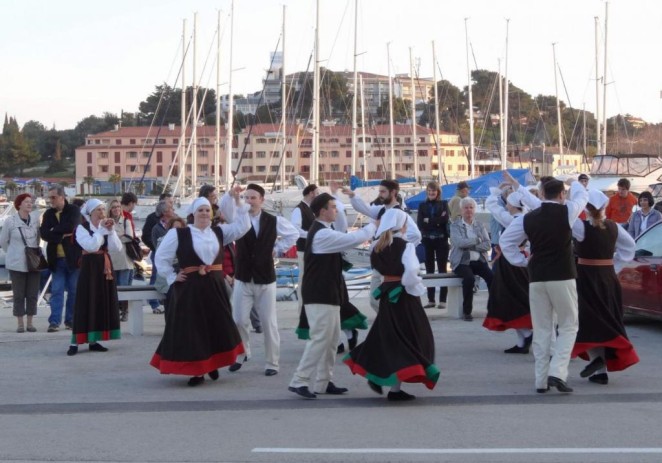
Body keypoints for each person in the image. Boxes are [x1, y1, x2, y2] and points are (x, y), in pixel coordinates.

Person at [150, 191, 251, 386]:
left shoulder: (219, 232)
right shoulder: (179, 233)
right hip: (190, 289)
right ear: (193, 213)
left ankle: (212, 364)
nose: (204, 213)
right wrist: (172, 276)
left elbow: (243, 226)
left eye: (207, 210)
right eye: (200, 210)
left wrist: (239, 203)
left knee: (215, 326)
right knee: (194, 329)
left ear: (211, 213)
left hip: (214, 287)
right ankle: (198, 371)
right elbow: (161, 257)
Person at [500, 177, 588, 394]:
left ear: (542, 194)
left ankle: (540, 380)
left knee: (542, 328)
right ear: (561, 195)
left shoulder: (528, 218)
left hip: (537, 276)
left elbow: (506, 242)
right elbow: (583, 196)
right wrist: (575, 183)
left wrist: (522, 261)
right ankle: (557, 372)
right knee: (568, 325)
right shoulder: (567, 211)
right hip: (563, 275)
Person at [344, 208, 440, 401]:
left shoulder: (376, 247)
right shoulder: (406, 246)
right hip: (404, 296)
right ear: (402, 225)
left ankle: (386, 381)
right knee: (413, 337)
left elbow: (379, 269)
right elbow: (412, 271)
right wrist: (414, 287)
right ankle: (393, 387)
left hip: (387, 294)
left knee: (387, 336)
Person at [288, 193, 377, 399]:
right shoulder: (321, 234)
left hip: (329, 293)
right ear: (322, 211)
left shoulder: (326, 230)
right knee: (320, 338)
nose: (336, 210)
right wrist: (373, 224)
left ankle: (323, 382)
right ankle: (299, 380)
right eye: (333, 207)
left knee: (331, 340)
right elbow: (352, 239)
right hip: (319, 294)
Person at [221, 183, 298, 377]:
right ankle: (243, 353)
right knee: (238, 319)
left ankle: (272, 362)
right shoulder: (239, 218)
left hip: (265, 278)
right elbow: (225, 208)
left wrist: (278, 248)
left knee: (268, 321)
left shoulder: (274, 220)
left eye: (253, 198)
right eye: (246, 198)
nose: (249, 201)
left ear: (262, 200)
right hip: (243, 277)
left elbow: (293, 234)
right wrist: (231, 195)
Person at [571, 190, 639, 386]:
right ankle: (600, 370)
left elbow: (566, 217)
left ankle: (598, 364)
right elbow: (629, 248)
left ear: (585, 208)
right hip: (608, 279)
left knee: (587, 322)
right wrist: (613, 265)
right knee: (606, 319)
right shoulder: (614, 227)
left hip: (585, 278)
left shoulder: (580, 227)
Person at [343, 180, 421, 312]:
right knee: (375, 299)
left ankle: (390, 322)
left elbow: (416, 235)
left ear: (393, 192)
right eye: (379, 191)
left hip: (392, 266)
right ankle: (388, 321)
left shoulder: (401, 214)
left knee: (388, 299)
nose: (380, 194)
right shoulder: (381, 210)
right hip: (380, 264)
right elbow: (365, 209)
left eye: (383, 191)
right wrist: (352, 196)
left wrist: (397, 248)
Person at [67, 199, 122, 356]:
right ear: (90, 212)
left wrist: (110, 232)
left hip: (104, 267)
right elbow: (91, 246)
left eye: (103, 209)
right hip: (89, 268)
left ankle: (94, 339)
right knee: (85, 301)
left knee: (99, 301)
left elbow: (116, 248)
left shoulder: (104, 228)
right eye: (98, 209)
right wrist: (101, 231)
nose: (102, 212)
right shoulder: (81, 228)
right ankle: (75, 341)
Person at [483, 187, 532, 353]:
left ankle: (526, 335)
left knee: (509, 299)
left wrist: (495, 193)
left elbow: (493, 207)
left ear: (512, 205)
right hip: (522, 260)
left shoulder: (513, 220)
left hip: (510, 263)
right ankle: (522, 340)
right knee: (519, 298)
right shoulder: (528, 219)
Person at [40, 186, 82, 332]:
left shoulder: (74, 210)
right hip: (56, 259)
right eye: (49, 197)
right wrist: (60, 235)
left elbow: (72, 226)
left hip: (73, 258)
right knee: (57, 290)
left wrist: (54, 232)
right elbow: (44, 233)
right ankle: (54, 322)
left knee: (73, 291)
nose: (50, 200)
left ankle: (70, 320)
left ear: (62, 197)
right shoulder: (48, 214)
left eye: (53, 197)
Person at [0, 194, 41, 333]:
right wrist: (14, 252)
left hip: (33, 262)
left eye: (31, 202)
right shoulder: (10, 221)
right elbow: (3, 241)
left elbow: (37, 239)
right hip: (16, 263)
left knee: (32, 293)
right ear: (19, 204)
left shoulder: (35, 220)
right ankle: (20, 323)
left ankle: (30, 322)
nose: (30, 204)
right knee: (18, 294)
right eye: (26, 202)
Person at [449, 197, 493, 321]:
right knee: (469, 279)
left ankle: (492, 310)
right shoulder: (455, 226)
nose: (469, 210)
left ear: (475, 210)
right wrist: (477, 240)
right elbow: (459, 243)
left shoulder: (479, 225)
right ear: (461, 210)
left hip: (478, 260)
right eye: (466, 208)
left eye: (471, 207)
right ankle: (467, 311)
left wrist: (471, 245)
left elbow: (488, 244)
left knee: (492, 277)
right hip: (461, 261)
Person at [416, 181, 450, 309]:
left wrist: (429, 220)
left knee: (442, 269)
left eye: (433, 191)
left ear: (438, 192)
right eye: (429, 191)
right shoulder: (422, 205)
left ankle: (442, 300)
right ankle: (431, 300)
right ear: (427, 192)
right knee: (429, 269)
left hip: (441, 240)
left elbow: (444, 220)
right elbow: (420, 223)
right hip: (427, 240)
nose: (431, 193)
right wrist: (436, 221)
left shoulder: (444, 204)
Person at [141, 193, 173, 313]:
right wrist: (155, 247)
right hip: (158, 253)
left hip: (173, 257)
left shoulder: (175, 220)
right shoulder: (152, 219)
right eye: (170, 203)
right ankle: (154, 303)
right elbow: (146, 236)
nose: (173, 206)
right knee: (156, 276)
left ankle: (163, 301)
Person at [290, 184, 319, 305]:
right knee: (304, 278)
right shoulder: (299, 209)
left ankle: (309, 303)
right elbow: (295, 229)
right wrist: (310, 235)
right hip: (303, 249)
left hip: (311, 249)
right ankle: (302, 306)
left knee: (310, 278)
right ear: (311, 193)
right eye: (317, 193)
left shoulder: (311, 209)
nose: (318, 195)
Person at [107, 199, 135, 321]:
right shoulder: (107, 222)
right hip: (111, 259)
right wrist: (119, 236)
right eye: (113, 207)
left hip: (124, 259)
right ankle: (115, 311)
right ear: (109, 209)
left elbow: (129, 237)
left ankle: (125, 311)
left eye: (118, 206)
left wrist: (113, 237)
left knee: (124, 286)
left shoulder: (126, 221)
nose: (116, 209)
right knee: (113, 287)